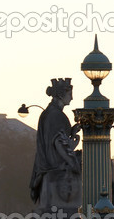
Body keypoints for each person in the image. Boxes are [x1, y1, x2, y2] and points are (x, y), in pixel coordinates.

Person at [29, 78, 82, 209]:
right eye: (70, 94)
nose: (72, 98)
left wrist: (71, 132)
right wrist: (73, 163)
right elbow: (59, 143)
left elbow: (55, 140)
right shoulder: (57, 116)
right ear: (60, 95)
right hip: (55, 166)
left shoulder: (48, 113)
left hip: (46, 165)